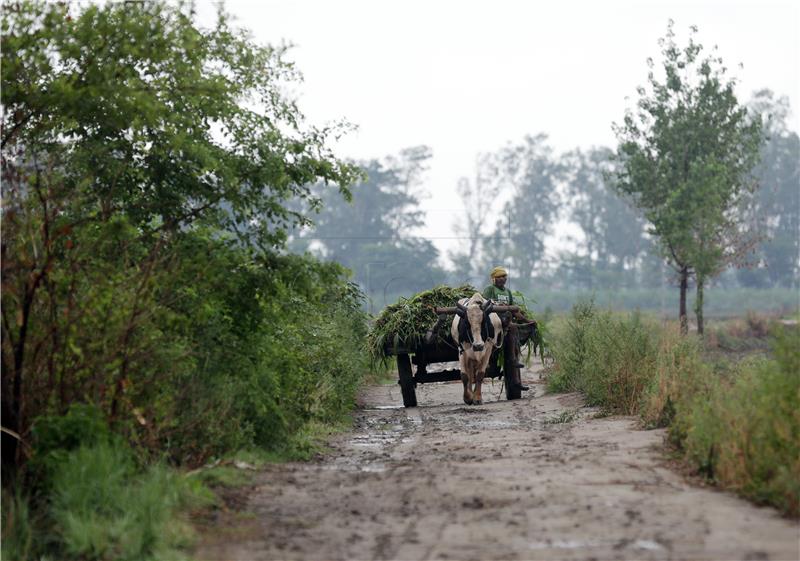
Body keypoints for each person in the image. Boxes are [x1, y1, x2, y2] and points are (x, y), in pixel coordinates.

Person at [482, 266, 535, 391]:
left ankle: (513, 363)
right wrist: (498, 305)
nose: (502, 279)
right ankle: (512, 359)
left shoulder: (508, 292)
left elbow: (514, 310)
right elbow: (484, 306)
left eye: (504, 276)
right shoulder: (490, 289)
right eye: (499, 277)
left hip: (506, 322)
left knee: (514, 327)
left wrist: (528, 321)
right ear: (493, 279)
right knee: (512, 328)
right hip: (492, 322)